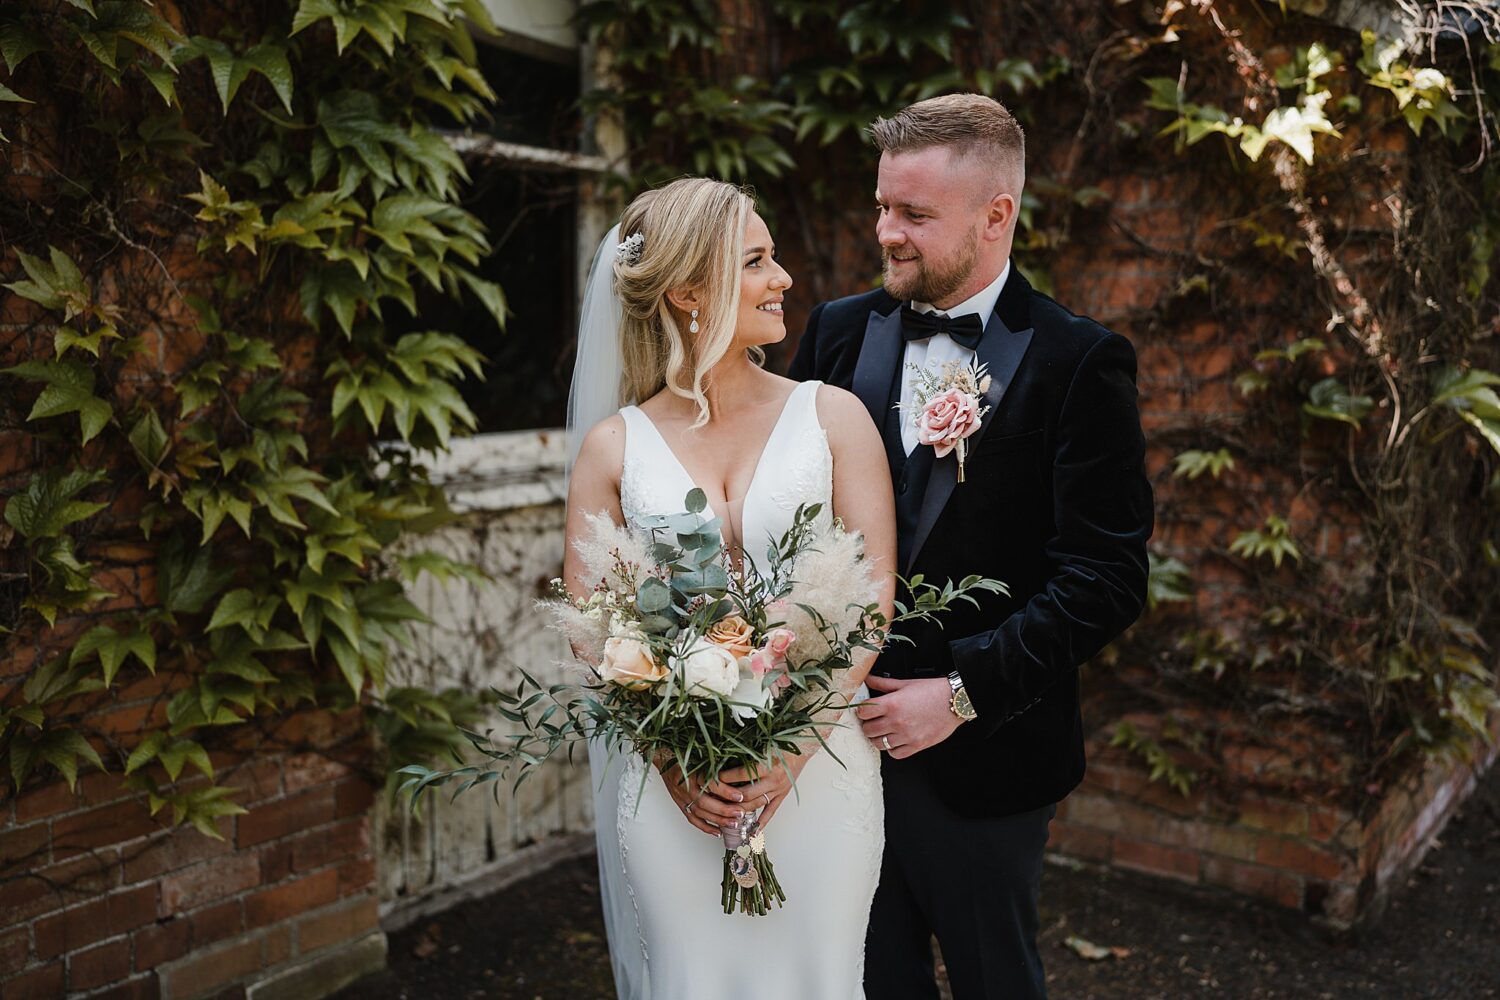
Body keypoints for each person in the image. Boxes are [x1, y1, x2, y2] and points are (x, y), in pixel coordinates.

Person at [788, 93, 1154, 999]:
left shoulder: (1080, 361)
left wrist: (958, 694)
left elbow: (1106, 577)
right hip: (833, 749)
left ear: (998, 217)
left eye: (913, 214)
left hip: (986, 761)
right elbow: (786, 515)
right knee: (862, 980)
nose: (886, 233)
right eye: (882, 206)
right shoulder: (838, 332)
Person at [563, 177, 898, 1000]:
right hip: (677, 780)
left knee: (823, 977)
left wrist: (786, 752)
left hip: (818, 767)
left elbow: (874, 602)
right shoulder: (613, 447)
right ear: (687, 293)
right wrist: (678, 766)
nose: (783, 278)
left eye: (774, 257)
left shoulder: (834, 417)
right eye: (756, 261)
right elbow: (594, 632)